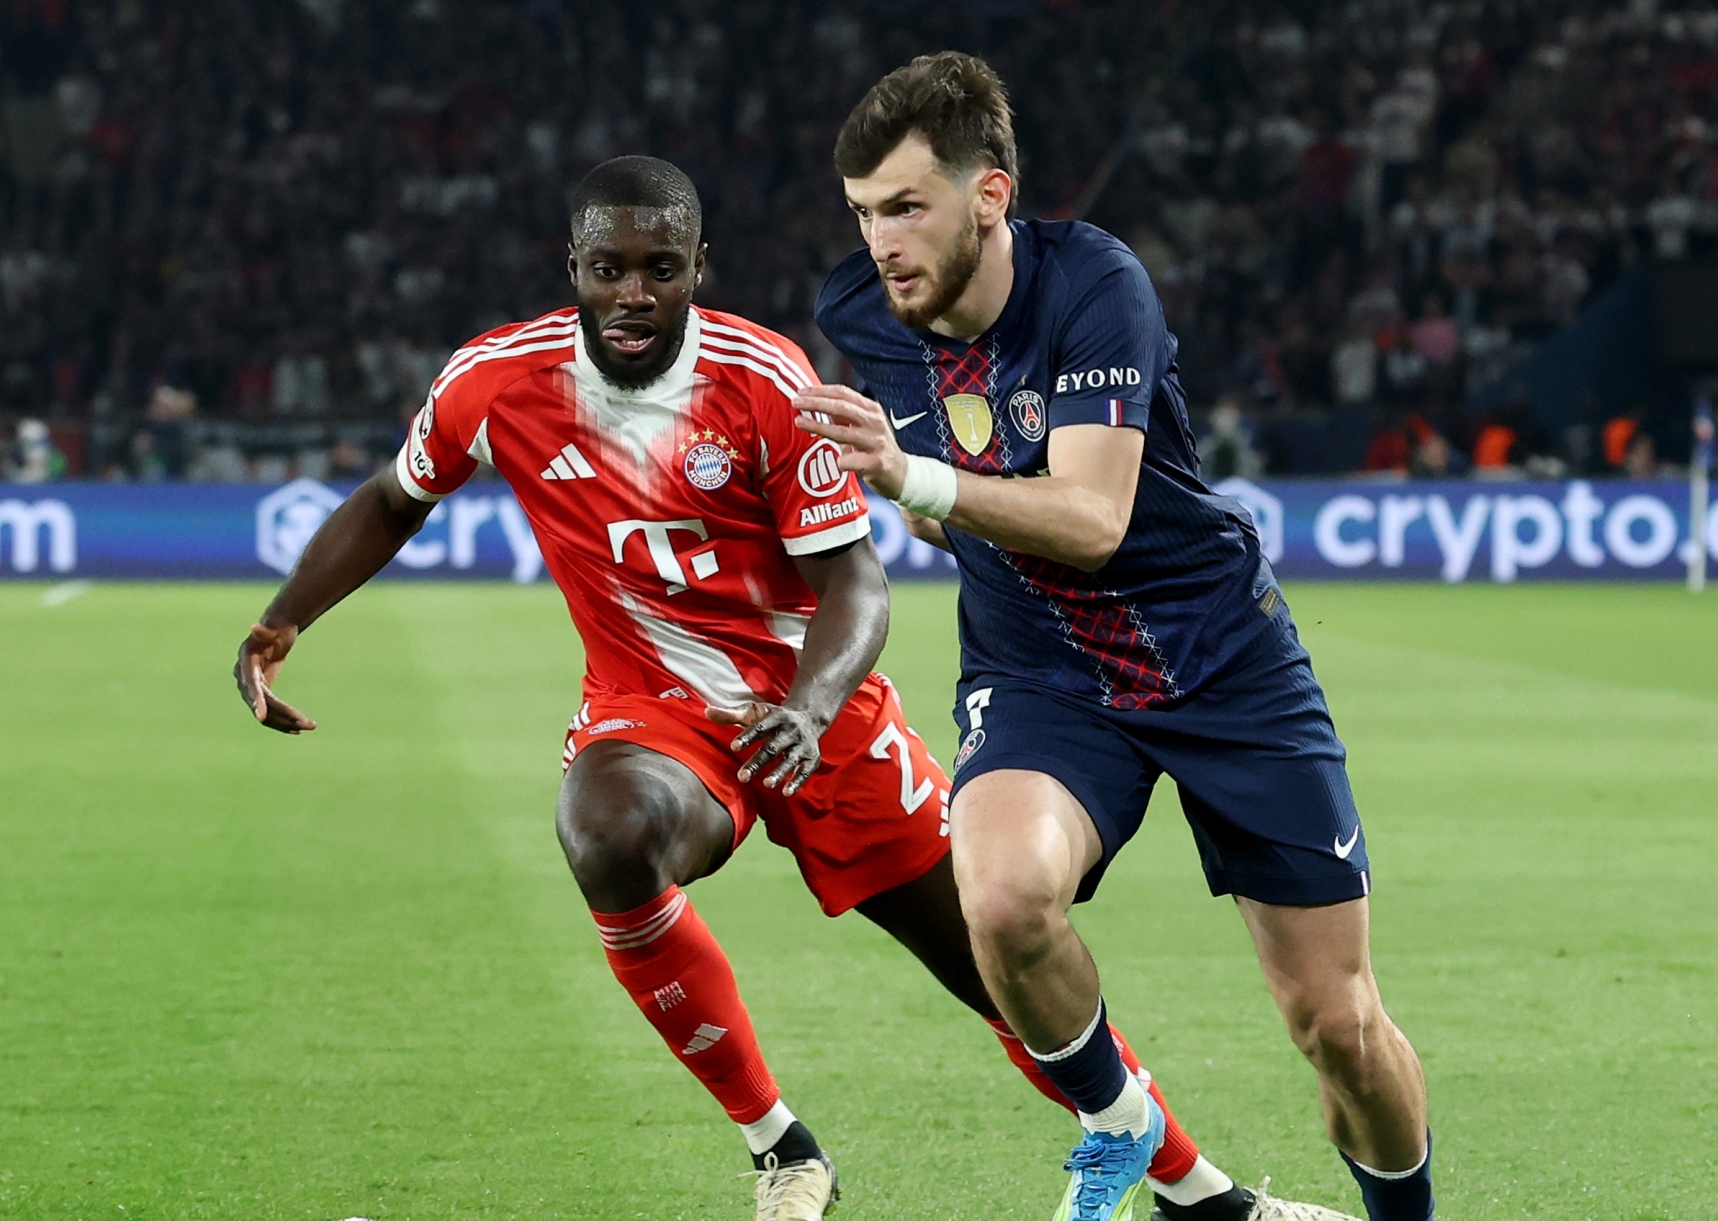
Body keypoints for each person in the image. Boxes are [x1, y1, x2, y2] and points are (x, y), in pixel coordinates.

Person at [232, 156, 1283, 1221]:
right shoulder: (495, 381)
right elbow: (392, 499)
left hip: (817, 709)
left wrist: (813, 709)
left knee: (998, 967)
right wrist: (284, 621)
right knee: (607, 833)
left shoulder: (765, 379)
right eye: (608, 269)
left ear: (700, 267)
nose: (632, 294)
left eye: (659, 268)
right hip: (654, 714)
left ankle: (1198, 1194)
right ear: (574, 270)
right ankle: (783, 1149)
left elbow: (854, 583)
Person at [807, 54, 1431, 1221]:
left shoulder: (1094, 282)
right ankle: (1117, 1127)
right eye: (862, 213)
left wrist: (917, 481)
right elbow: (955, 510)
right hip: (1043, 670)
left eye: (906, 207)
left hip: (1220, 660)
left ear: (988, 196)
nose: (881, 241)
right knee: (998, 902)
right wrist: (923, 501)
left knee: (1335, 1023)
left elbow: (1092, 521)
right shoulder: (860, 314)